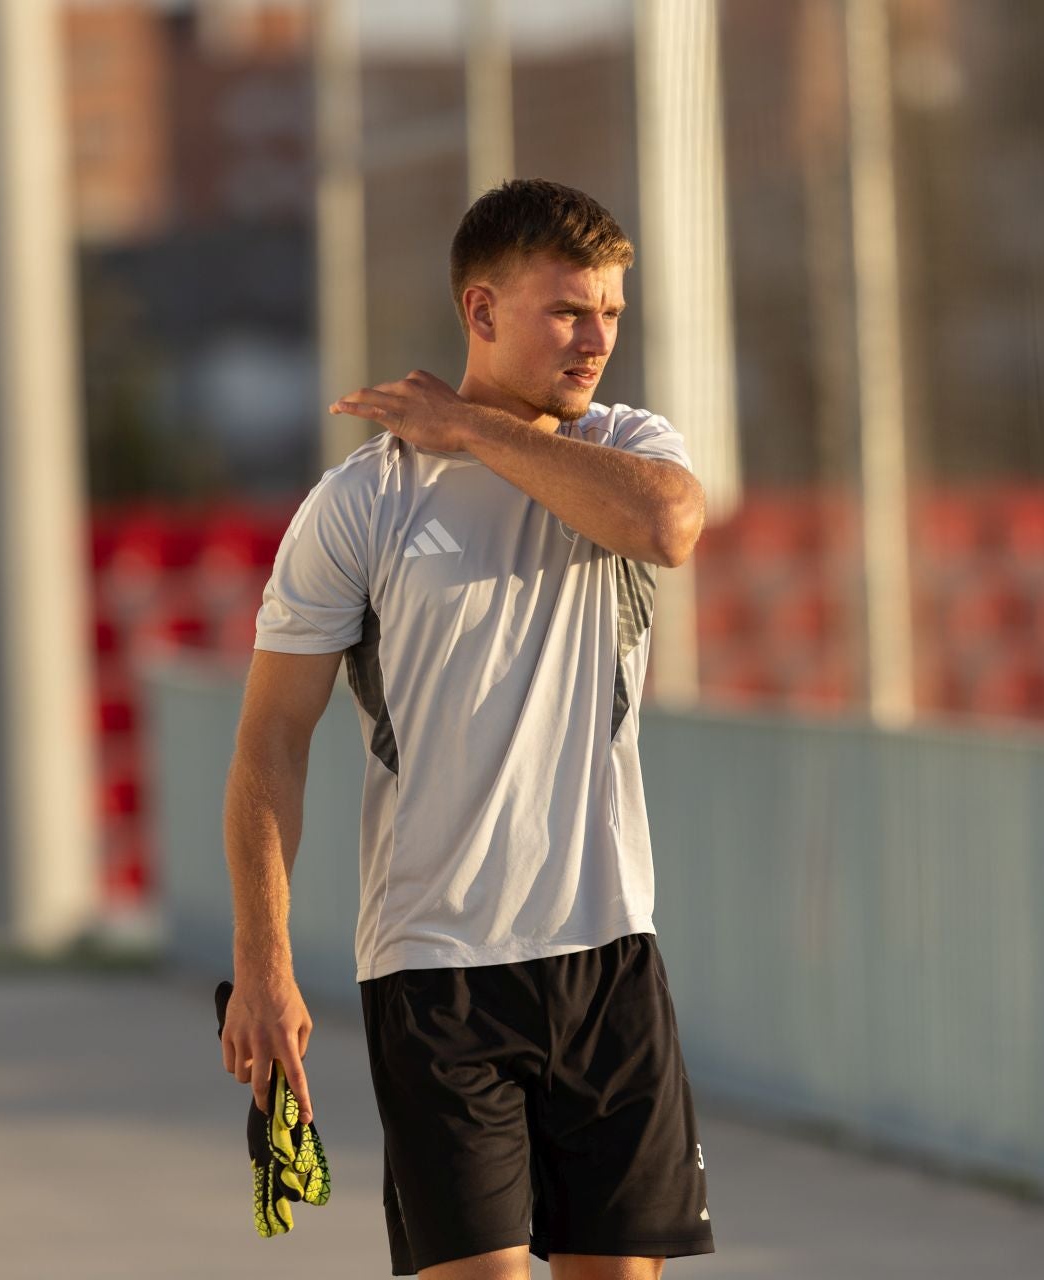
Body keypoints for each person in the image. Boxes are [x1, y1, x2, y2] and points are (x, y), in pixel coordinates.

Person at [218, 177, 716, 1280]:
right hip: (437, 972)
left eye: (612, 313)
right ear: (481, 311)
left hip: (609, 955)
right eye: (567, 309)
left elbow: (667, 525)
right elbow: (270, 744)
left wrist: (472, 425)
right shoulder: (361, 504)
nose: (596, 338)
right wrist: (263, 961)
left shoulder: (626, 447)